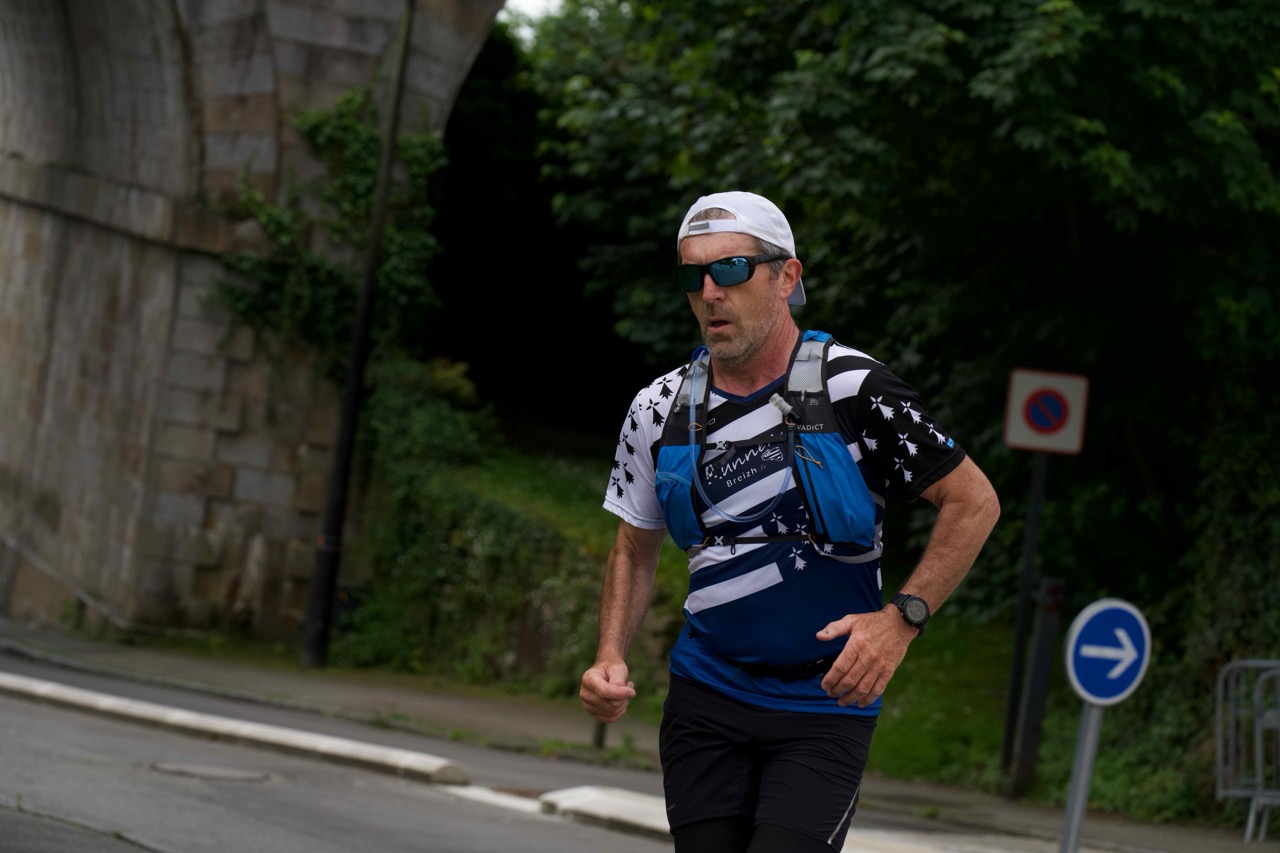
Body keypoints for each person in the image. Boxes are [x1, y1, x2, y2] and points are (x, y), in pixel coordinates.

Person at [579, 190, 1000, 853]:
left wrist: (901, 620)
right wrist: (610, 655)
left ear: (787, 276)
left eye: (732, 269)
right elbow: (634, 547)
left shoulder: (853, 387)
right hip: (705, 696)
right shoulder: (657, 407)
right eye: (693, 275)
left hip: (823, 703)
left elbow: (974, 501)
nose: (710, 292)